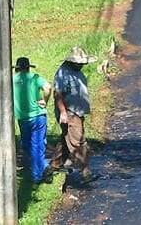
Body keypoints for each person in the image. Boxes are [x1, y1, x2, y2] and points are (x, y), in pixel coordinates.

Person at [52, 47, 95, 186]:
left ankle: (53, 166)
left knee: (66, 141)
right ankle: (85, 172)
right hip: (70, 113)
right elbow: (58, 95)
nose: (82, 65)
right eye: (80, 63)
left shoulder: (76, 71)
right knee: (78, 142)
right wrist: (63, 112)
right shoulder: (62, 74)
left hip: (78, 112)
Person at [14, 55, 50, 184]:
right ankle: (40, 171)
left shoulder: (12, 80)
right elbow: (48, 87)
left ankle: (40, 169)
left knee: (28, 144)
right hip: (38, 116)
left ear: (17, 68)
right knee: (38, 145)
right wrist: (44, 101)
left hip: (23, 118)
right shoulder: (35, 78)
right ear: (28, 68)